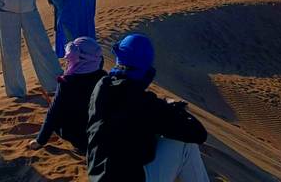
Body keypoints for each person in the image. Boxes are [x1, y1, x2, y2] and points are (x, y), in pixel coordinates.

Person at [86, 34, 209, 182]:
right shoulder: (143, 102)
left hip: (98, 176)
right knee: (184, 145)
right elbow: (199, 134)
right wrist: (174, 109)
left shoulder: (101, 87)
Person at [28, 36, 106, 152]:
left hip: (80, 137)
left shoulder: (66, 83)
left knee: (58, 115)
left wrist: (40, 141)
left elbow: (53, 113)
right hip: (101, 134)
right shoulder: (103, 77)